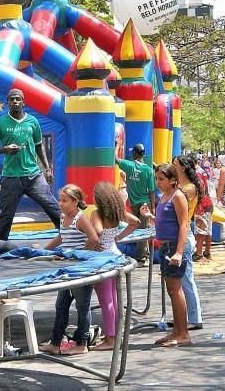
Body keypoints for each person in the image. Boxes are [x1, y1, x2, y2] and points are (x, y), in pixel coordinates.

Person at [0, 89, 61, 241]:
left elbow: (39, 145)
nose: (15, 101)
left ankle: (69, 235)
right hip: (10, 177)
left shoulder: (32, 121)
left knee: (52, 207)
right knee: (6, 214)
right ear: (7, 103)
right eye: (11, 99)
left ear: (23, 102)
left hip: (33, 175)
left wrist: (47, 169)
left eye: (18, 99)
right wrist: (5, 149)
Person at [39, 184, 99, 356]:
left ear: (75, 202)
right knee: (61, 304)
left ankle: (82, 343)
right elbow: (61, 236)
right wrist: (46, 250)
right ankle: (56, 342)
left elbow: (93, 238)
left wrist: (80, 255)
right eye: (60, 200)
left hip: (79, 270)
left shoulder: (80, 218)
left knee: (82, 306)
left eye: (64, 201)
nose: (60, 204)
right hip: (66, 270)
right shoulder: (63, 217)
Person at [90, 182, 139, 351]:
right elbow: (136, 222)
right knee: (115, 299)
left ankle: (110, 338)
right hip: (116, 256)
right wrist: (118, 237)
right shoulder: (118, 213)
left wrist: (91, 242)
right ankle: (116, 333)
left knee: (106, 301)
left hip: (102, 259)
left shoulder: (97, 213)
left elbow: (97, 232)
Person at [153, 163, 193, 347]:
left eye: (161, 179)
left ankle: (183, 333)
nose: (158, 182)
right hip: (164, 247)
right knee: (171, 290)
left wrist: (178, 251)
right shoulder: (164, 196)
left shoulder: (178, 196)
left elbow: (184, 224)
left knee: (176, 291)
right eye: (157, 178)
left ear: (173, 180)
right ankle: (176, 330)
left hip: (173, 249)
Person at [172, 154, 204, 330]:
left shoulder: (188, 188)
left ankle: (194, 317)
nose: (172, 166)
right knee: (178, 280)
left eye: (174, 164)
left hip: (183, 234)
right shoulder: (179, 187)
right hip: (176, 233)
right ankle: (182, 315)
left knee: (186, 278)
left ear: (183, 167)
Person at [115, 143, 156, 265]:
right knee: (142, 228)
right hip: (145, 203)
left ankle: (141, 258)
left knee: (142, 229)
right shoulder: (148, 170)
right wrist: (152, 206)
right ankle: (145, 255)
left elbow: (115, 159)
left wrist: (116, 146)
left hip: (135, 203)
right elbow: (152, 191)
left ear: (134, 153)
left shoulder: (129, 165)